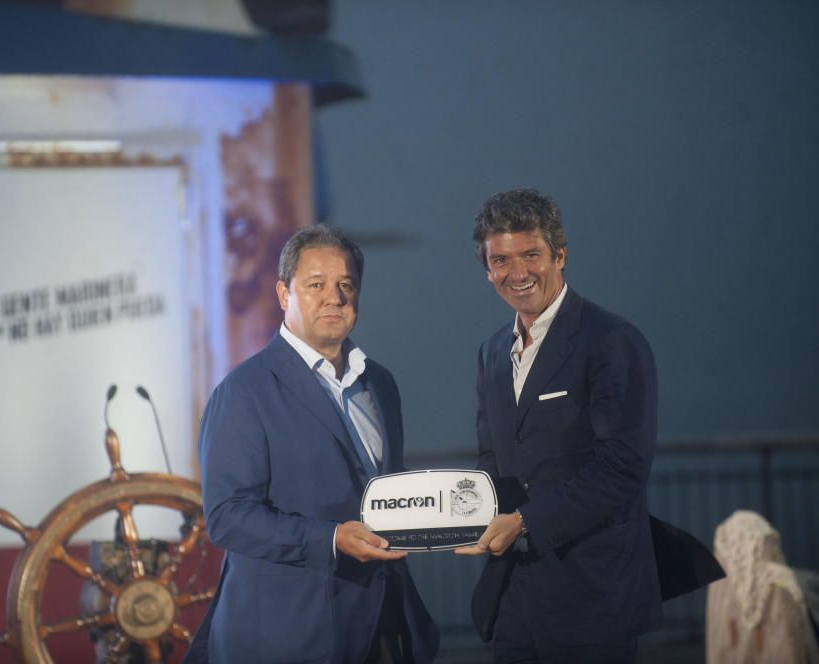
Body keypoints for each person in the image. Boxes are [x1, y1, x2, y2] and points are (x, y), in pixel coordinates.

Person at [186, 224, 439, 663]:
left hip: (380, 627)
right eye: (316, 285)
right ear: (284, 295)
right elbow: (227, 516)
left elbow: (386, 493)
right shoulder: (243, 392)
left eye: (346, 285)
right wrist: (331, 539)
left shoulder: (380, 383)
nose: (334, 297)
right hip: (286, 636)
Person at [454, 189, 662, 663]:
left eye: (532, 254)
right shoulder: (490, 353)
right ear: (488, 270)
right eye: (501, 259)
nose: (518, 272)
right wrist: (458, 516)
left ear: (560, 255)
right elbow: (492, 459)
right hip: (514, 599)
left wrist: (526, 522)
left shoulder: (612, 341)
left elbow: (623, 468)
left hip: (592, 596)